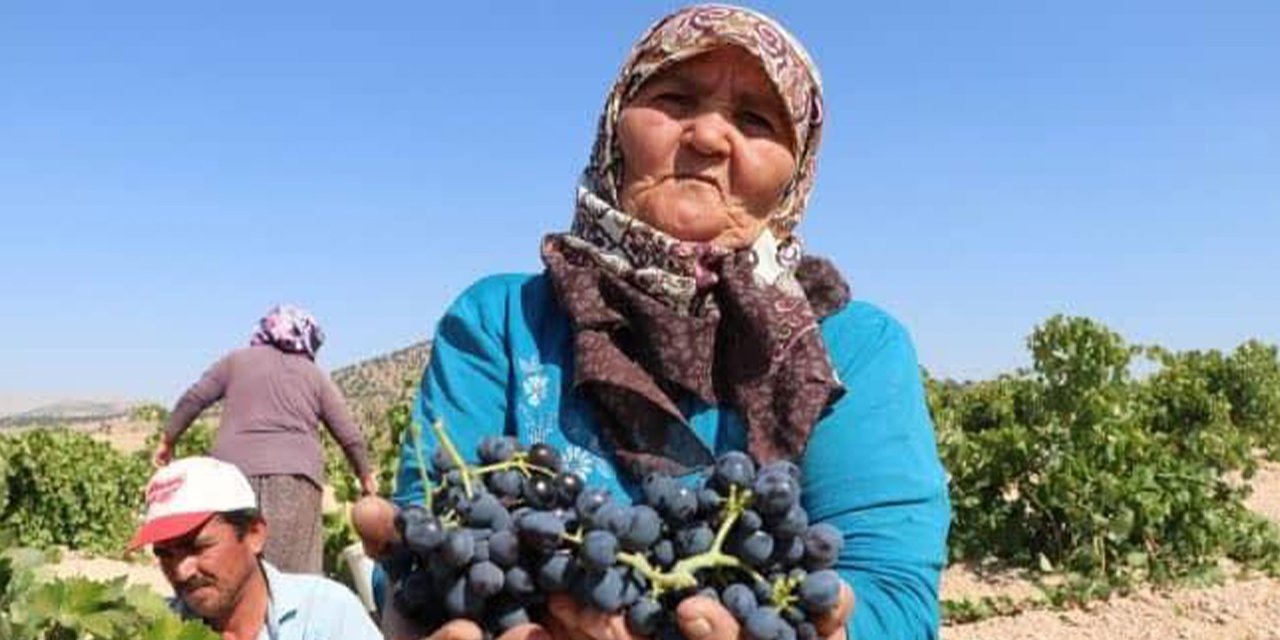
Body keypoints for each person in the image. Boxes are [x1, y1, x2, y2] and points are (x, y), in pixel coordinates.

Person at [376, 5, 950, 639]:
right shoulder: (501, 320)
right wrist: (414, 593)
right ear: (615, 125)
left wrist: (836, 629)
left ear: (796, 172)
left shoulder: (852, 346)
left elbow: (893, 598)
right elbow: (425, 543)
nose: (708, 138)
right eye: (675, 99)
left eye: (756, 120)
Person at [155, 304, 377, 574]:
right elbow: (348, 433)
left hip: (233, 478)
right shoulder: (314, 376)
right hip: (295, 480)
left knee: (233, 566)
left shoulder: (235, 361)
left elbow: (194, 398)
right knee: (293, 574)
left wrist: (168, 440)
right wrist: (365, 475)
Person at [129, 456, 383, 639]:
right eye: (165, 554)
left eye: (198, 548)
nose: (182, 571)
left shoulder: (325, 612)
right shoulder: (156, 627)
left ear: (254, 535)